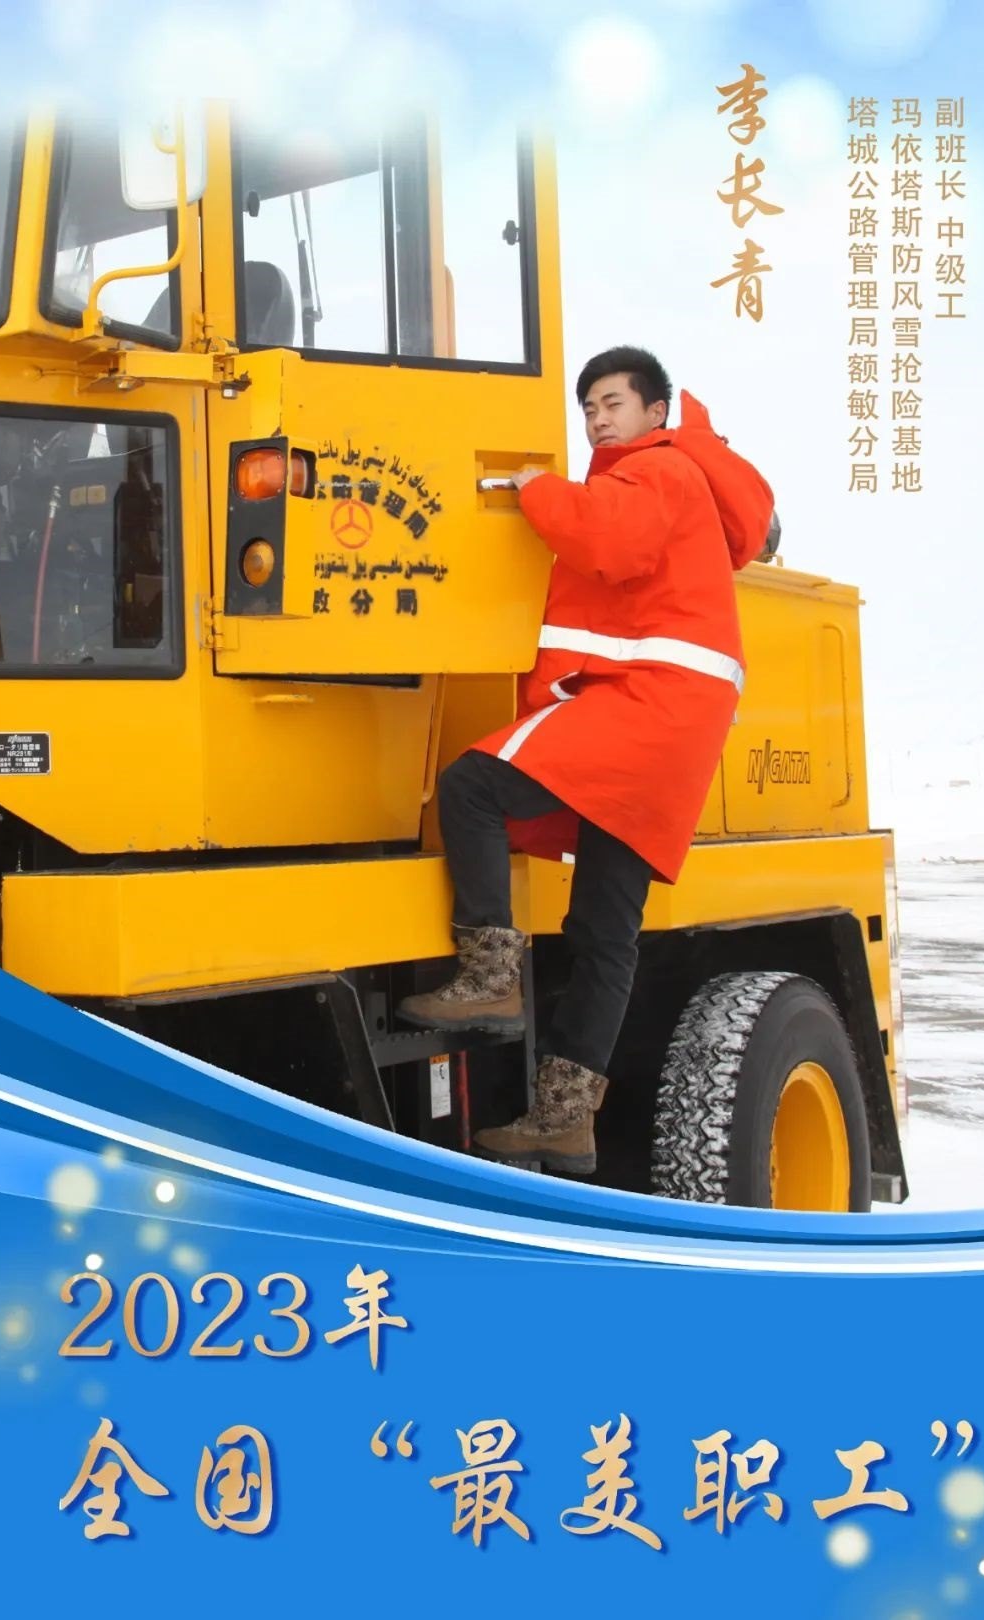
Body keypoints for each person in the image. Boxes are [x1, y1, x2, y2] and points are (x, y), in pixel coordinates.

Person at [398, 345, 774, 1175]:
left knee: (472, 785)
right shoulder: (675, 478)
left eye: (613, 404)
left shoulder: (658, 469)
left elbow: (606, 540)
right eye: (590, 409)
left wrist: (538, 489)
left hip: (646, 706)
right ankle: (564, 1121)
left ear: (654, 412)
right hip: (676, 725)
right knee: (605, 931)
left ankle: (489, 974)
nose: (599, 420)